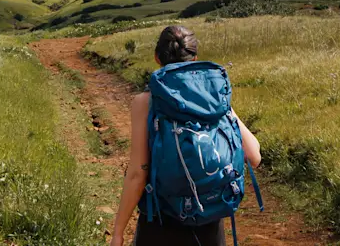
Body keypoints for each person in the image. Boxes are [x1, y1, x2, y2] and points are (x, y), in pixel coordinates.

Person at [110, 25, 262, 246]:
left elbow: (137, 174)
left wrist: (118, 232)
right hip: (209, 224)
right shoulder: (215, 100)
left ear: (156, 57)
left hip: (161, 225)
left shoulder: (145, 102)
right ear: (196, 58)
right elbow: (254, 155)